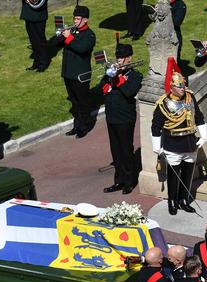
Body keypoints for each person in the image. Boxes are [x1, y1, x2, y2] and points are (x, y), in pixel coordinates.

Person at [151, 59, 207, 215]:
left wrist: (203, 136)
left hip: (190, 142)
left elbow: (199, 117)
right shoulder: (163, 104)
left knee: (188, 173)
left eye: (183, 85)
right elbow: (156, 127)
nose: (183, 88)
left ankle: (184, 199)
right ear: (172, 87)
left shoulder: (190, 98)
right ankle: (172, 200)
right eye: (179, 86)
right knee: (174, 175)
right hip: (173, 143)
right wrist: (157, 147)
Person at [101, 43, 143, 195]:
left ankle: (130, 181)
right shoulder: (111, 73)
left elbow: (129, 92)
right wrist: (109, 79)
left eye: (122, 58)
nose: (118, 60)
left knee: (126, 151)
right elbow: (102, 89)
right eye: (118, 57)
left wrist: (118, 78)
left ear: (129, 58)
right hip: (111, 117)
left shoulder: (135, 76)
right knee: (116, 151)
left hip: (125, 118)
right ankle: (118, 180)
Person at [59, 4, 96, 139]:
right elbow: (57, 43)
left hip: (81, 75)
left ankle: (84, 126)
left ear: (85, 20)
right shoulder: (72, 31)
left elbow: (81, 48)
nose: (75, 21)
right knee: (74, 102)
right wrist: (61, 34)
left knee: (82, 102)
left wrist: (68, 37)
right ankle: (76, 125)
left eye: (78, 19)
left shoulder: (90, 35)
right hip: (69, 74)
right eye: (74, 18)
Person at [21, 0, 48, 72]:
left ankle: (43, 63)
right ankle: (36, 63)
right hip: (28, 14)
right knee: (33, 40)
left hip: (39, 14)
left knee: (40, 40)